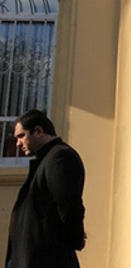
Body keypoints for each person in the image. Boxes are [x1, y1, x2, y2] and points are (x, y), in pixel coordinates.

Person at [5, 109, 86, 268]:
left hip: (44, 258)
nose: (18, 143)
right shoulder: (47, 159)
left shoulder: (59, 158)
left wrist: (76, 238)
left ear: (38, 131)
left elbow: (68, 205)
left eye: (21, 136)